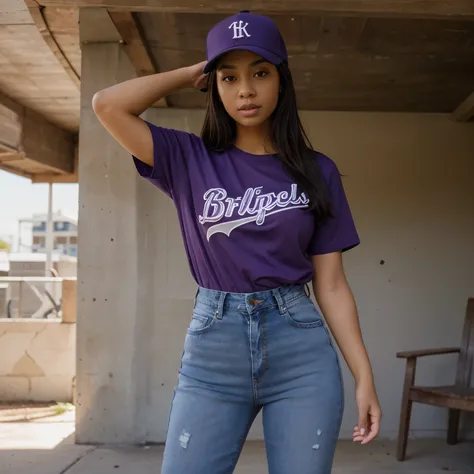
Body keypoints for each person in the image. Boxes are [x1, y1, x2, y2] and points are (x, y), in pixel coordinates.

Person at [92, 10, 381, 474]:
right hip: (214, 352)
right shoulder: (187, 159)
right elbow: (107, 104)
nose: (245, 89)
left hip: (301, 352)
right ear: (214, 85)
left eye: (260, 73)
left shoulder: (317, 171)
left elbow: (331, 286)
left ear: (281, 82)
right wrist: (195, 70)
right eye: (229, 77)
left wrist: (364, 375)